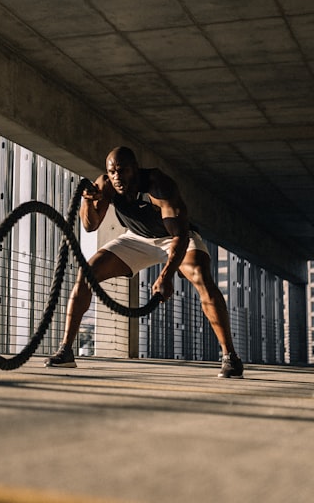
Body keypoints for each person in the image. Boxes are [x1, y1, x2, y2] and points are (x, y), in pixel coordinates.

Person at [46, 146, 244, 378]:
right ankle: (66, 350)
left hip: (174, 238)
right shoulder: (107, 184)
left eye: (123, 170)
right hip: (136, 238)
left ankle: (230, 356)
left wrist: (166, 275)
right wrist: (88, 202)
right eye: (112, 171)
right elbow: (90, 226)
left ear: (135, 170)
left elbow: (179, 235)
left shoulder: (159, 185)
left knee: (201, 277)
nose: (117, 177)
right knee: (87, 273)